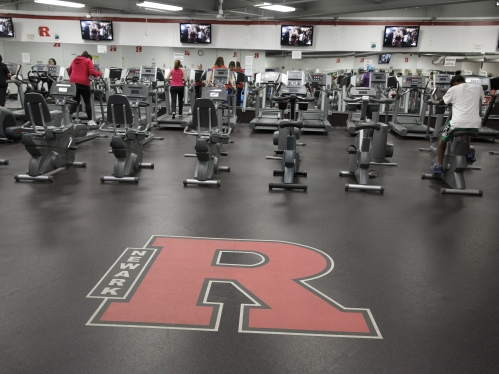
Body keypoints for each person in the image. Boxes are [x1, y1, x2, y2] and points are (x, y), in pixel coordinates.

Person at [431, 74, 484, 174]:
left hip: (456, 123)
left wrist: (438, 100)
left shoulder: (454, 89)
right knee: (466, 131)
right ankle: (468, 153)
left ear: (454, 83)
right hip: (475, 125)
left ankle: (439, 165)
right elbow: (480, 99)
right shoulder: (479, 87)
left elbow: (442, 102)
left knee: (442, 137)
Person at [67, 51, 101, 127]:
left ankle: (68, 118)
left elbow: (69, 71)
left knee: (75, 100)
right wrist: (99, 73)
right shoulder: (88, 61)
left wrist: (73, 78)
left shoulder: (74, 60)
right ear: (89, 57)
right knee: (87, 102)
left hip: (73, 82)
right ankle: (90, 120)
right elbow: (92, 72)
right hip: (83, 83)